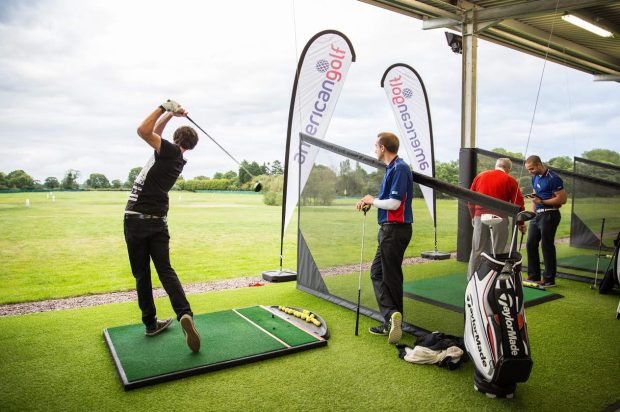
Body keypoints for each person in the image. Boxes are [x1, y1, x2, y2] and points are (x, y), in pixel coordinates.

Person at [124, 99, 201, 352]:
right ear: (190, 147)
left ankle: (150, 323)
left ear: (175, 140)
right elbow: (156, 133)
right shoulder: (177, 160)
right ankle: (184, 313)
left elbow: (144, 131)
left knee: (142, 275)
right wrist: (172, 115)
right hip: (158, 223)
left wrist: (164, 107)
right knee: (166, 271)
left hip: (135, 220)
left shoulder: (166, 151)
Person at [356, 132, 413, 344]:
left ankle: (392, 318)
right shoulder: (393, 168)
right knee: (379, 273)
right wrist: (372, 202)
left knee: (389, 276)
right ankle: (393, 317)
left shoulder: (400, 168)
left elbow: (395, 204)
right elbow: (387, 201)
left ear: (382, 147)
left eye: (375, 146)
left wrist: (373, 199)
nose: (374, 149)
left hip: (394, 231)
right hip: (390, 230)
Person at [467, 158, 525, 280]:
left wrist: (473, 216)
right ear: (508, 169)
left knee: (477, 249)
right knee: (499, 251)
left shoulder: (480, 176)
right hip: (500, 218)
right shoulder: (510, 180)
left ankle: (472, 279)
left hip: (480, 217)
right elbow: (518, 204)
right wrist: (521, 223)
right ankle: (495, 280)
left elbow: (470, 200)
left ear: (496, 165)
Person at [524, 155, 567, 287]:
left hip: (550, 214)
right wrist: (532, 212)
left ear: (538, 165)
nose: (529, 171)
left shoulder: (554, 178)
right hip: (537, 215)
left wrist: (542, 201)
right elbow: (535, 196)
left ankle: (549, 279)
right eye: (528, 169)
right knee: (530, 243)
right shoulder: (534, 177)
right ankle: (534, 276)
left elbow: (562, 199)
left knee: (546, 246)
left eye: (531, 169)